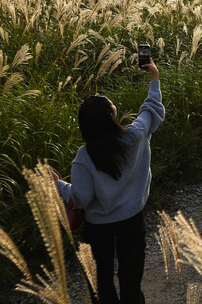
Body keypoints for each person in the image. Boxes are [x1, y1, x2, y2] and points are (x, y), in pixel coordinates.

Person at [53, 62, 164, 304]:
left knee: (100, 284)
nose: (114, 104)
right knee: (131, 281)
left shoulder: (84, 156)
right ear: (111, 115)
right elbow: (151, 109)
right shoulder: (135, 137)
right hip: (132, 221)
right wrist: (154, 78)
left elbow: (81, 198)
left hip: (98, 227)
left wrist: (58, 184)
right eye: (111, 104)